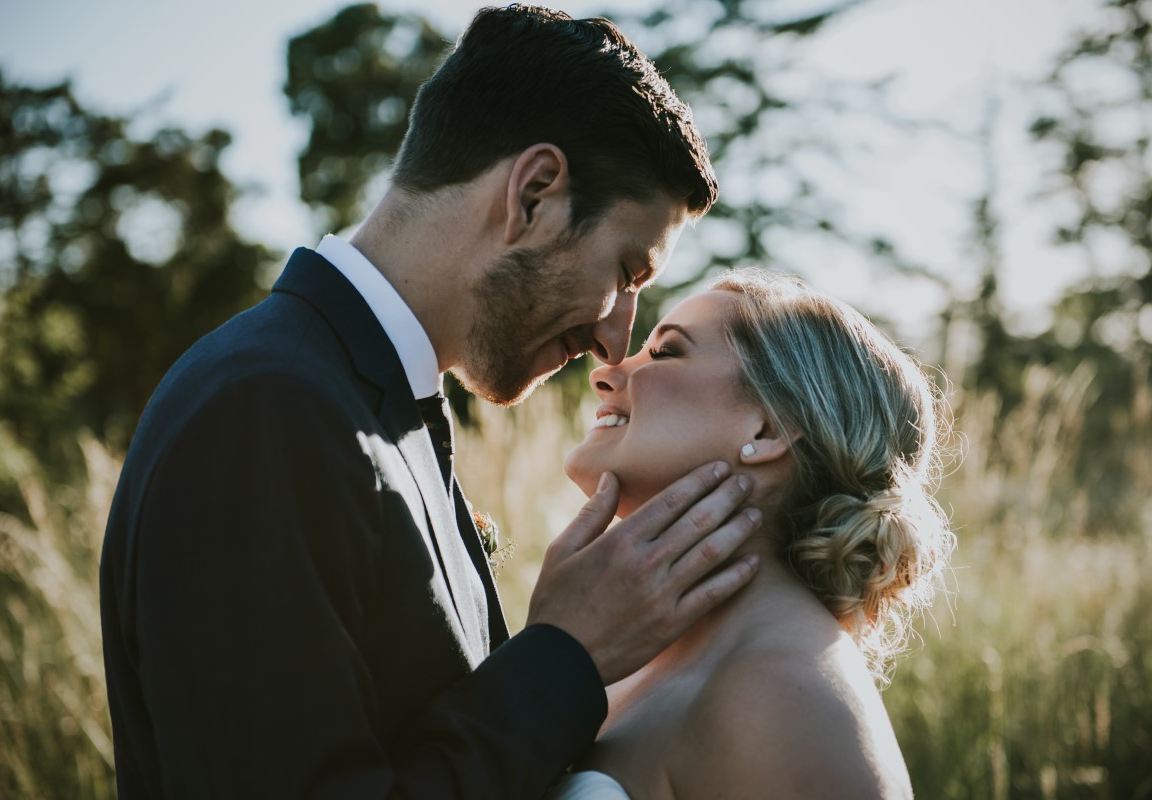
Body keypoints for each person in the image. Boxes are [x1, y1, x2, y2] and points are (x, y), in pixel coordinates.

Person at [100, 6, 763, 799]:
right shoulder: (266, 411)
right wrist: (565, 655)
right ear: (535, 194)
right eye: (624, 273)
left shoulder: (372, 403)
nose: (616, 339)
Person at [549, 269, 957, 799]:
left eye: (666, 352)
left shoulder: (784, 697)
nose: (606, 373)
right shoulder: (634, 655)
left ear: (768, 430)